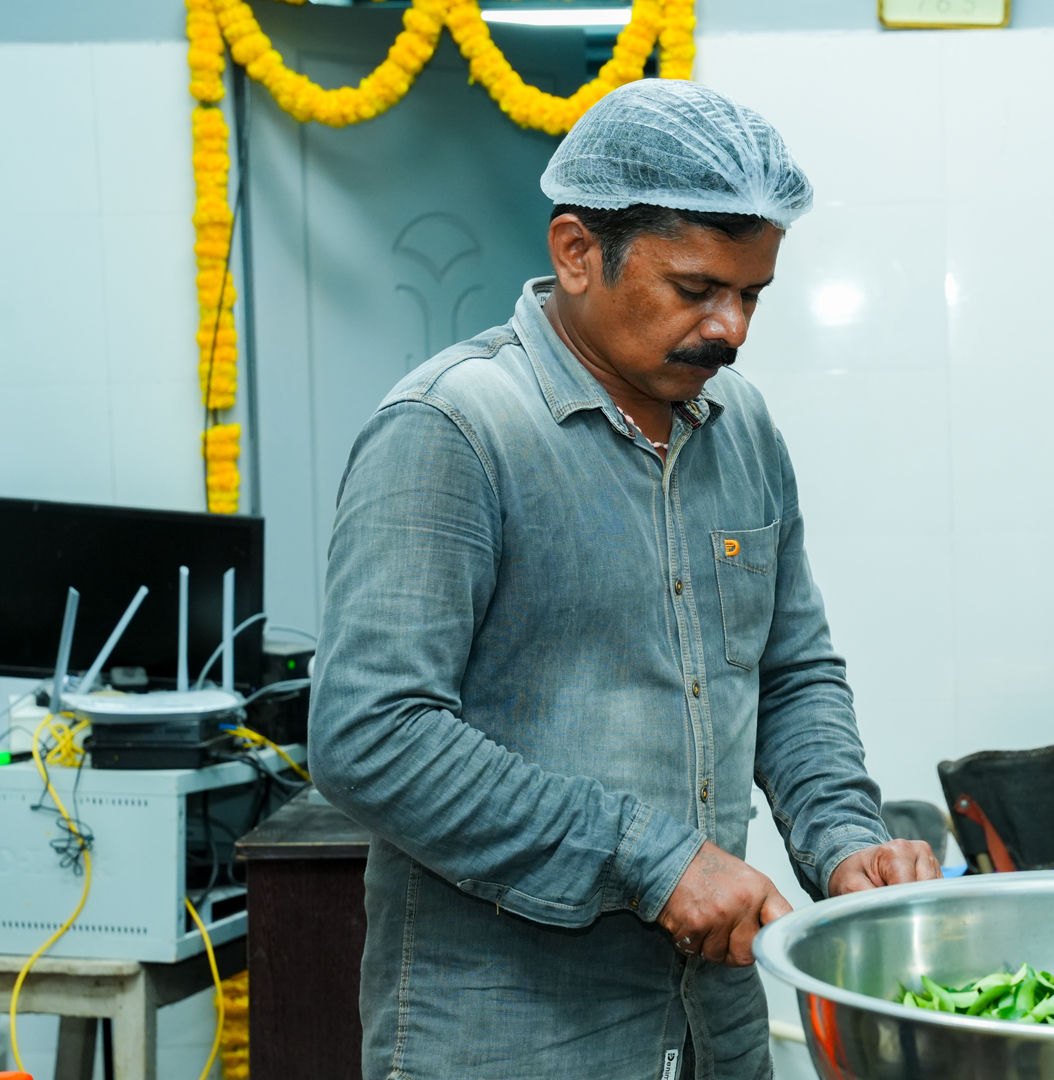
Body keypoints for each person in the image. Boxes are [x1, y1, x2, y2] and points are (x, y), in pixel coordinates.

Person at [309, 79, 942, 1080]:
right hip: (509, 1037)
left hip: (711, 1028)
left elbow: (790, 670)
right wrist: (650, 859)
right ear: (575, 252)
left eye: (751, 295)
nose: (731, 329)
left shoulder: (741, 428)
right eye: (697, 289)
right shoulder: (455, 430)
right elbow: (371, 735)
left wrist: (842, 841)